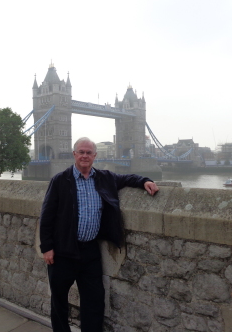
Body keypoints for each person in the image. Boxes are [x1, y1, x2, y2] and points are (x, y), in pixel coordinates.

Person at [39, 137, 159, 332]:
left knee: (94, 301)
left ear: (95, 156)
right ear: (74, 154)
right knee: (59, 301)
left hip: (90, 252)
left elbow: (128, 178)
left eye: (89, 153)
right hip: (63, 251)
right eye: (81, 152)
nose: (85, 156)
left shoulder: (105, 177)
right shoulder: (60, 180)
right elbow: (47, 215)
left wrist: (145, 181)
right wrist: (47, 247)